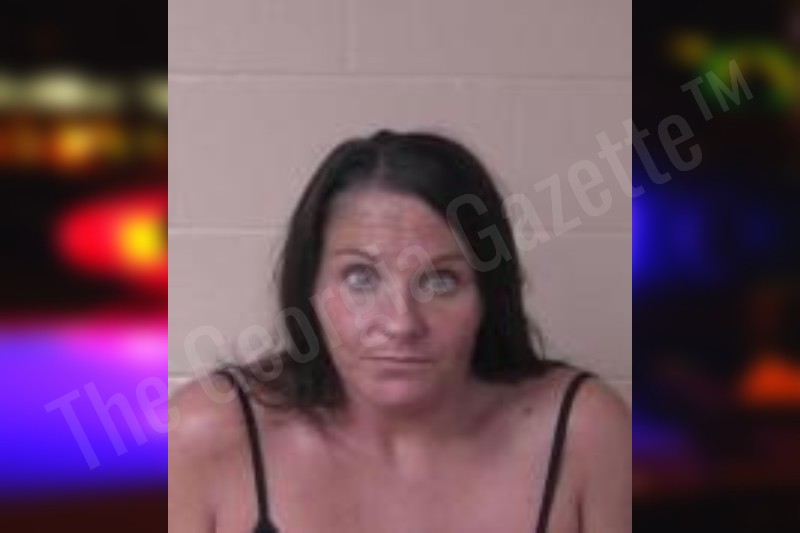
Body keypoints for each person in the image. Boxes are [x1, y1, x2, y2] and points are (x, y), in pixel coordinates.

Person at [168, 130, 631, 533]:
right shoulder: (207, 435)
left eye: (440, 281)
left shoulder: (584, 434)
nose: (401, 323)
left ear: (489, 295)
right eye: (360, 278)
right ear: (309, 288)